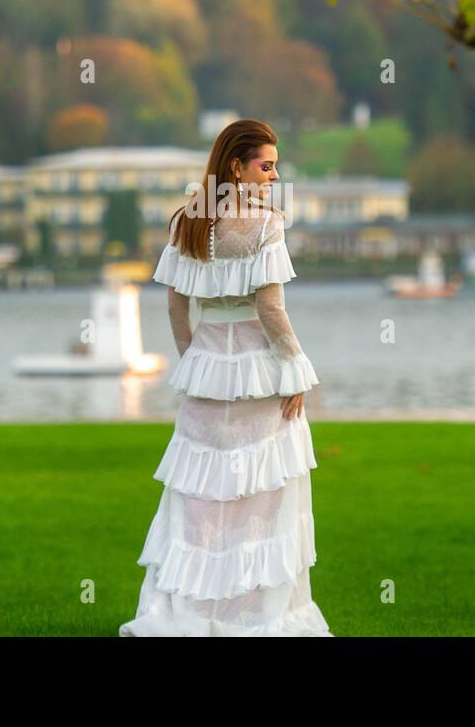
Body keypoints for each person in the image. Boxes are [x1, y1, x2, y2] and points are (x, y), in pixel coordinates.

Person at [119, 119, 332, 636]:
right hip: (261, 374)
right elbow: (270, 309)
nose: (275, 175)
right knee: (261, 496)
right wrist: (298, 369)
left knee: (201, 496)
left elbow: (175, 303)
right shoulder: (266, 225)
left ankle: (193, 615)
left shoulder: (187, 221)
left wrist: (196, 358)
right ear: (237, 166)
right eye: (266, 165)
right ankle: (255, 617)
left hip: (206, 375)